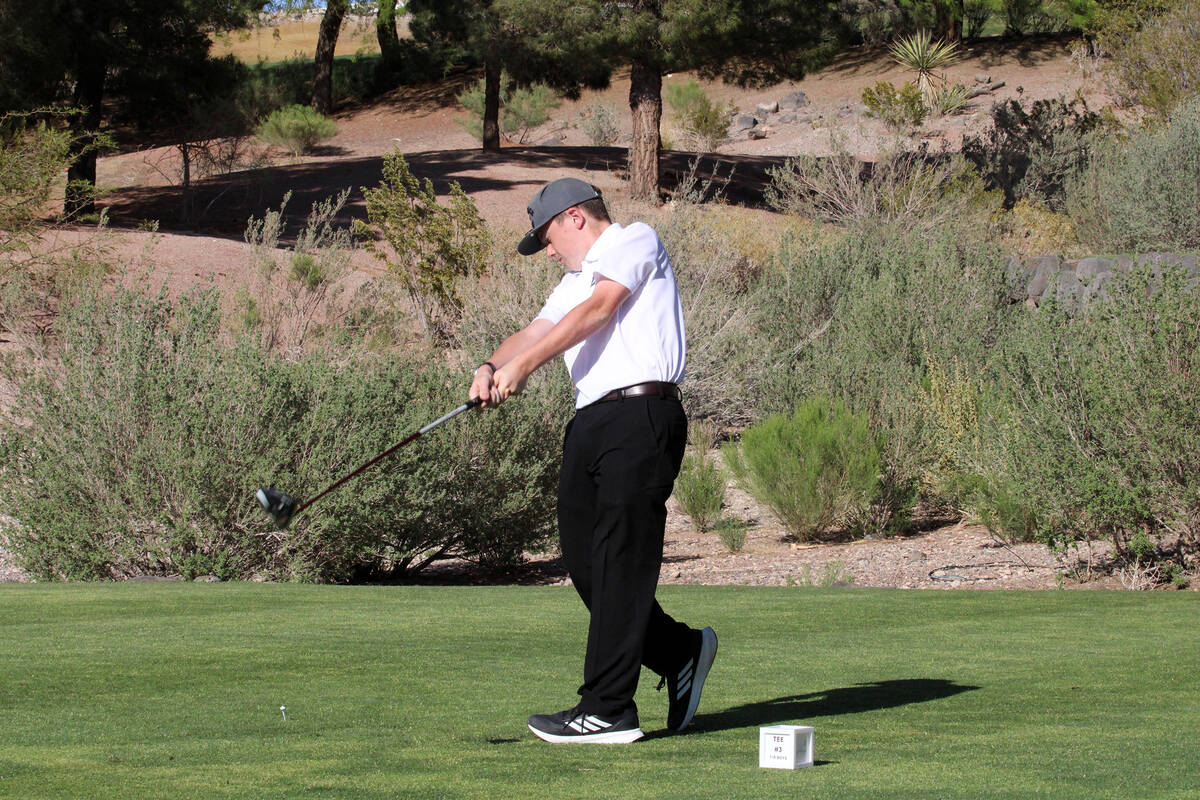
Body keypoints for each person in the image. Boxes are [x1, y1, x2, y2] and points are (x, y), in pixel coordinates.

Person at [469, 177, 717, 744]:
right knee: (587, 563)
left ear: (576, 217)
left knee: (619, 560)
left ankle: (608, 708)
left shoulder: (634, 240)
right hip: (590, 422)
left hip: (641, 414)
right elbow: (537, 328)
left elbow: (602, 310)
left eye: (547, 237)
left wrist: (524, 369)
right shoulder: (572, 283)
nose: (548, 252)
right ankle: (679, 651)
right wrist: (490, 366)